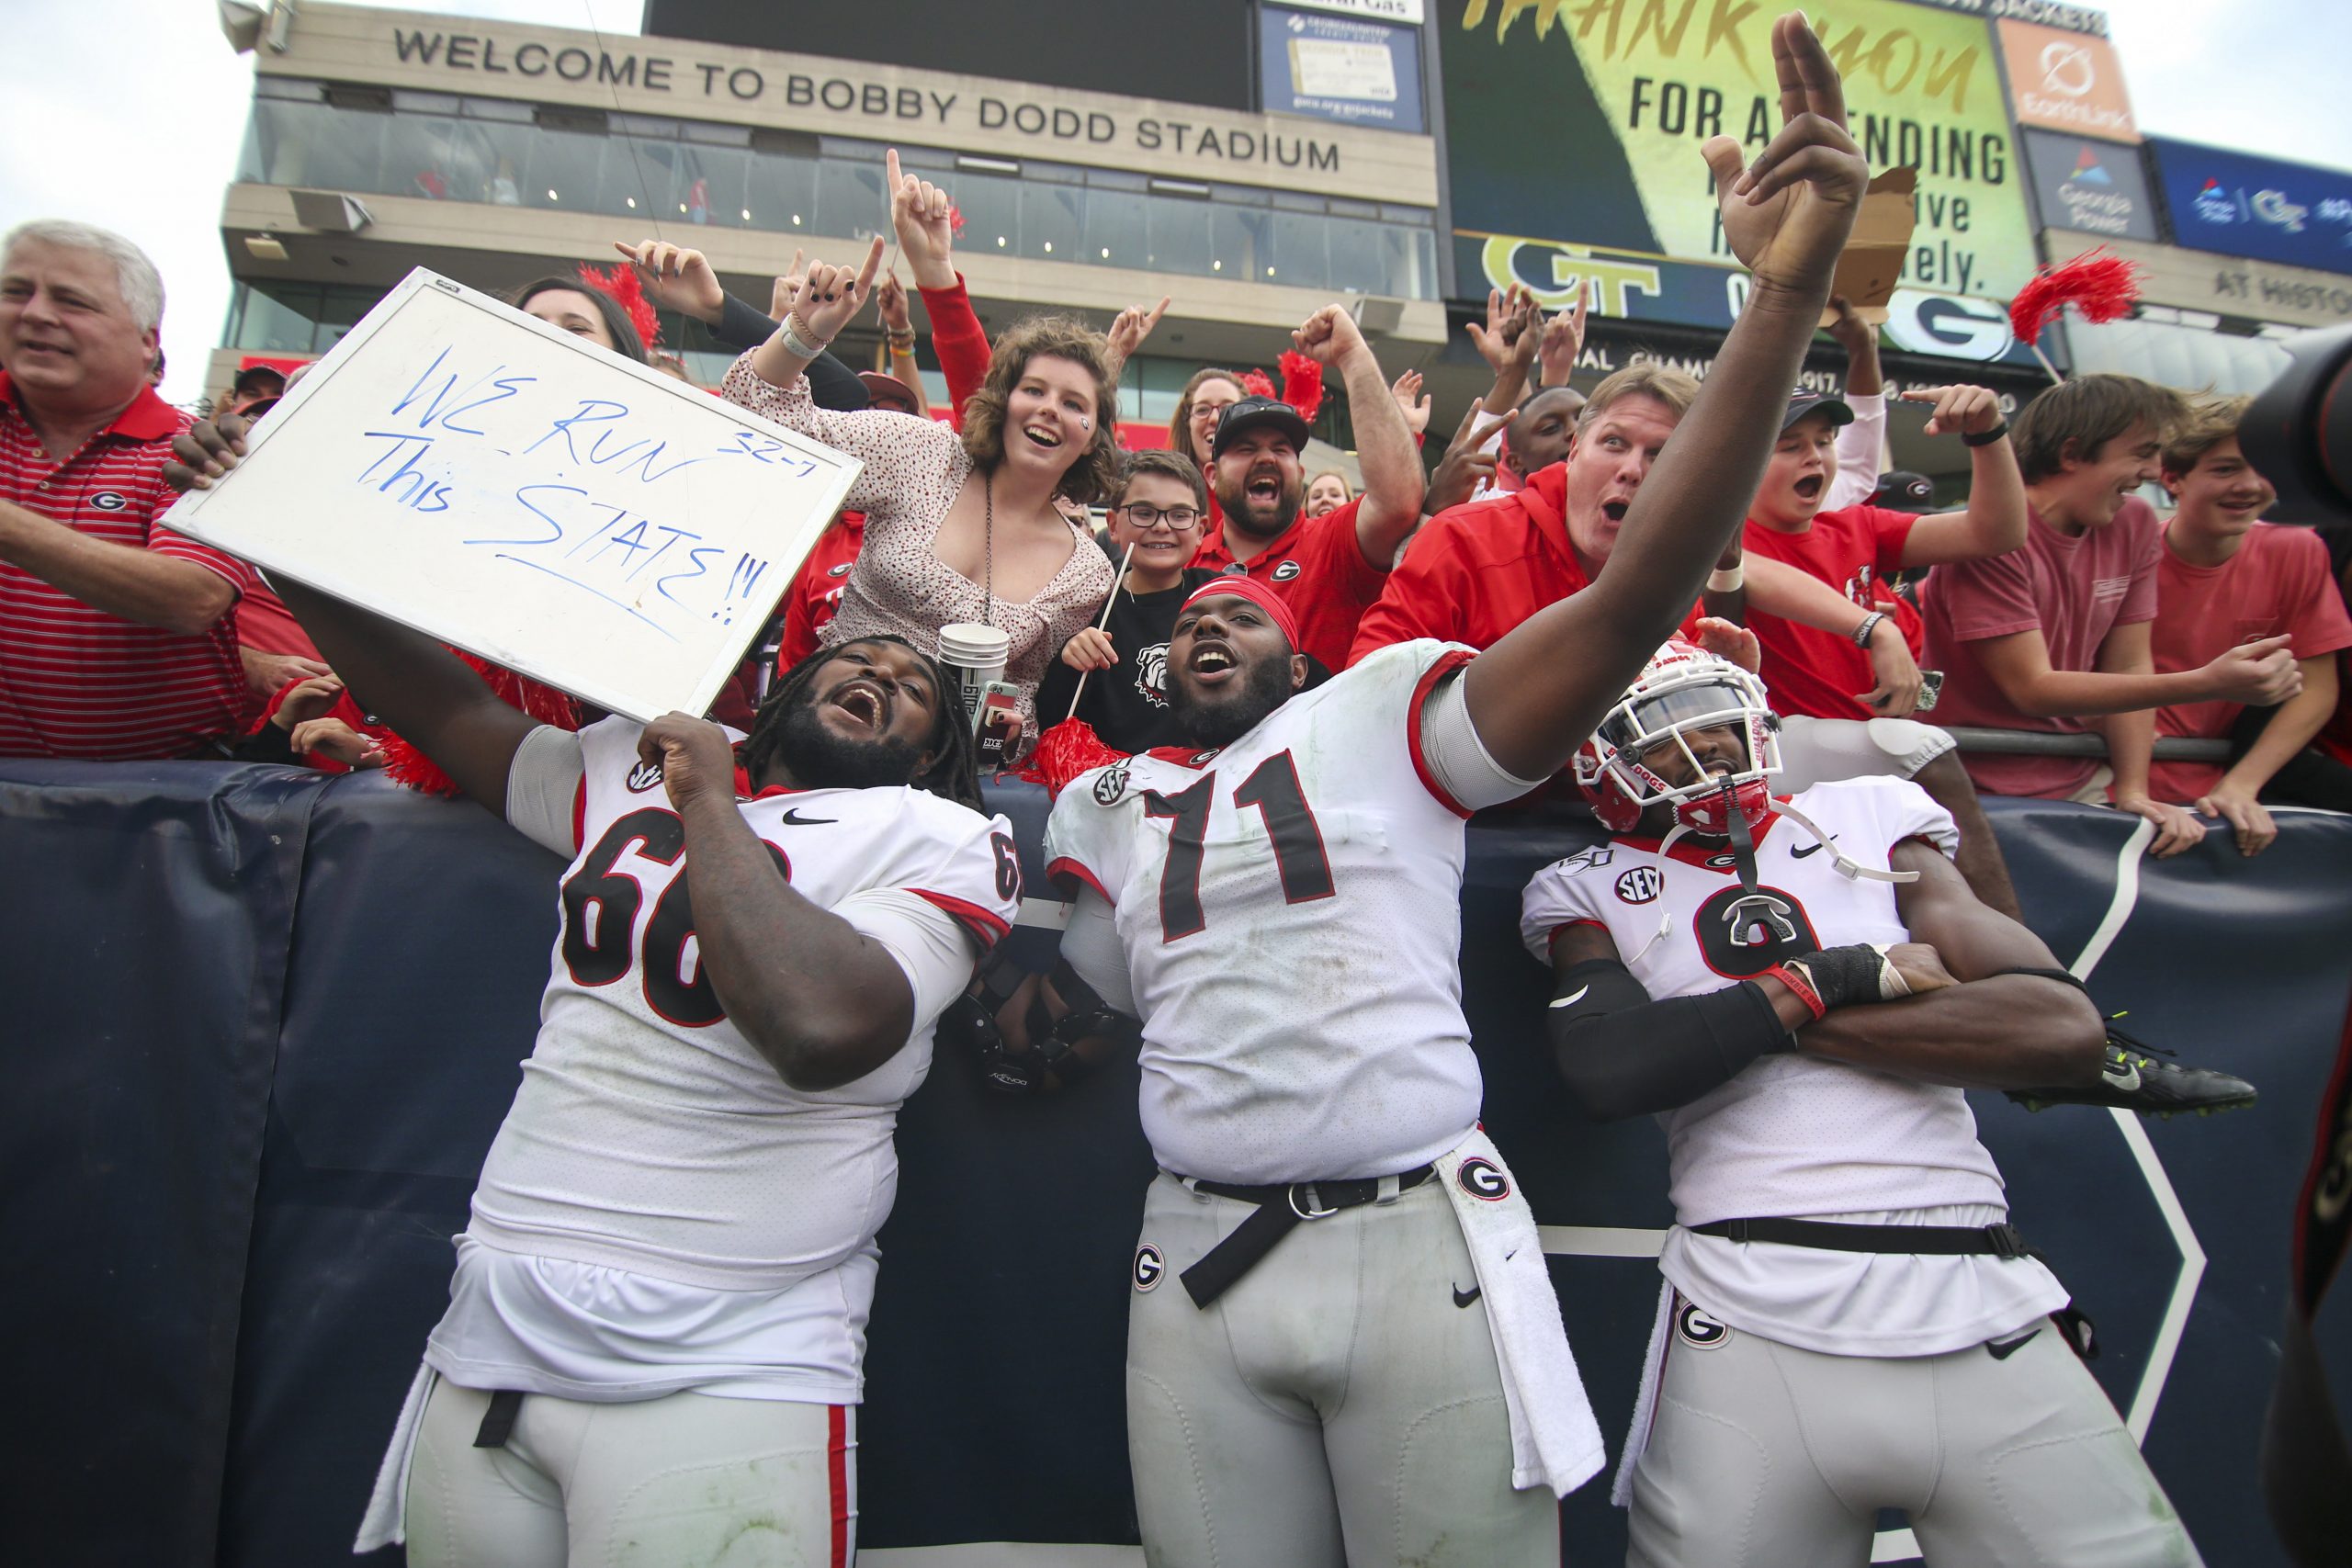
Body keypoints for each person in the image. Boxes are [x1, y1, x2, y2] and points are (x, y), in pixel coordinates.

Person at [1030, 22, 1879, 1561]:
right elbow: (1055, 1026)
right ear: (1156, 664)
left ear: (1313, 641)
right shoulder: (1108, 802)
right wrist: (1029, 974)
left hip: (1412, 1232)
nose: (1215, 607)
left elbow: (1629, 606)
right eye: (1193, 610)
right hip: (1191, 1245)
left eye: (1250, 604)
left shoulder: (1386, 705)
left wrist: (1787, 298)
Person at [260, 576, 1021, 1566]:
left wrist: (709, 798)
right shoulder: (629, 771)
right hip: (496, 1324)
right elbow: (442, 708)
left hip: (727, 1351)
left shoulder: (941, 837)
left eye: (913, 685)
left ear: (928, 752)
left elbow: (821, 1029)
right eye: (858, 657)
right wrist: (283, 544)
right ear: (787, 695)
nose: (881, 672)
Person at [1518, 640, 2234, 1567]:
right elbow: (1610, 1069)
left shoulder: (1861, 818)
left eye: (1723, 727)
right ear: (1601, 763)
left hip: (1974, 1289)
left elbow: (2057, 1030)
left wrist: (1733, 1018)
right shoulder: (1586, 889)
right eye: (1668, 742)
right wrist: (1847, 977)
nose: (1713, 755)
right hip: (1747, 1302)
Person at [718, 237, 1118, 753]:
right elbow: (766, 427)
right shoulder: (923, 452)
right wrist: (801, 335)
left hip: (945, 777)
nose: (1049, 410)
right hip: (821, 741)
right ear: (1004, 399)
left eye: (1073, 403)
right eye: (1034, 390)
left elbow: (1019, 695)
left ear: (1092, 435)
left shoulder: (1088, 573)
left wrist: (1005, 732)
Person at [1348, 367, 1928, 713]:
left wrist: (1725, 688)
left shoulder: (1674, 577)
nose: (1633, 469)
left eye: (1661, 455)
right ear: (1575, 452)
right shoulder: (1464, 540)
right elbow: (1368, 687)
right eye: (1614, 444)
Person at [1920, 373, 2302, 855]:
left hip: (2081, 783)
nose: (2154, 470)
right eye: (2142, 452)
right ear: (2073, 454)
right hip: (1969, 792)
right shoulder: (1987, 537)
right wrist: (2208, 680)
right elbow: (2033, 688)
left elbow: (2128, 663)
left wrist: (2135, 791)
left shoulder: (2136, 521)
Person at [1739, 383, 2029, 917]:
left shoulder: (1857, 525)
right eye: (1790, 446)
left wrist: (1988, 434)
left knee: (1928, 890)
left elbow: (1998, 532)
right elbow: (1740, 566)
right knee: (1920, 749)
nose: (1815, 457)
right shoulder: (1725, 533)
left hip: (1859, 759)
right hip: (1775, 755)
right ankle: (2035, 970)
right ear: (1742, 461)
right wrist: (1875, 626)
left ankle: (2027, 979)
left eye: (1825, 441)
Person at [0, 220, 257, 761]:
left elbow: (194, 596)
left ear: (147, 343)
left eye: (73, 302)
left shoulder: (200, 451)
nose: (35, 313)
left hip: (148, 807)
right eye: (15, 292)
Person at [2149, 395, 2352, 849]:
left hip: (2239, 782)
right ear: (2172, 479)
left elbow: (2317, 686)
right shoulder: (2129, 550)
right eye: (2225, 470)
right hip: (2117, 781)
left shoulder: (2298, 548)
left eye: (2263, 470)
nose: (2249, 485)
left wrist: (2243, 784)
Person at [1191, 303, 1424, 673]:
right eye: (1246, 449)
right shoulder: (1186, 562)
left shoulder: (1335, 543)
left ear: (1299, 472)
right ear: (1212, 476)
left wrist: (1352, 356)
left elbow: (1399, 503)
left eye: (1280, 449)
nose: (1266, 458)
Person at [1036, 450, 1217, 751]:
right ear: (1114, 525)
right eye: (1144, 513)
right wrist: (1068, 663)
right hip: (1111, 781)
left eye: (1180, 515)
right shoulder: (1089, 605)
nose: (1161, 526)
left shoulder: (1219, 595)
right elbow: (1051, 721)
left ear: (1200, 530)